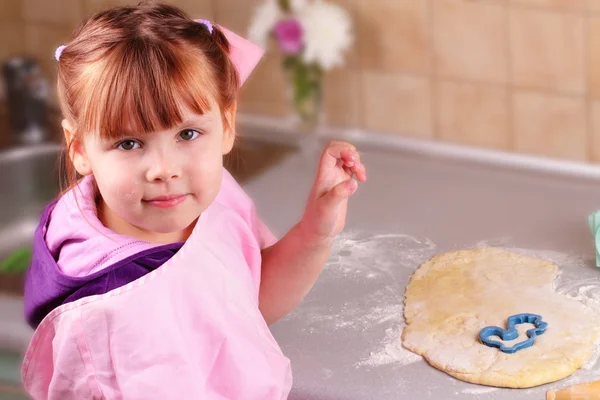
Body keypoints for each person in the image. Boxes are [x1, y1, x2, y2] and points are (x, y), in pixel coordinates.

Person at [21, 2, 367, 399]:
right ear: (80, 150)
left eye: (187, 134)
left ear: (226, 125)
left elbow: (247, 303)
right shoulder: (113, 317)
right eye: (129, 143)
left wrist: (315, 230)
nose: (165, 169)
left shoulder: (199, 198)